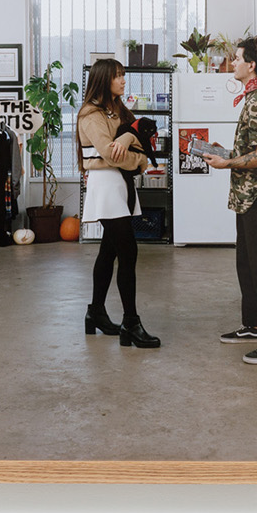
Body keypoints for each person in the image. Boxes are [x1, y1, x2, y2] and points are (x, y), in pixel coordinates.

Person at [204, 35, 257, 365]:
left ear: (251, 65)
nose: (233, 64)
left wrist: (227, 162)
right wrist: (223, 154)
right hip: (247, 198)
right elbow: (251, 152)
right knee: (248, 265)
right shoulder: (253, 98)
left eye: (238, 59)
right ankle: (256, 325)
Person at [75, 58, 159, 349]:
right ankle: (131, 324)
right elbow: (112, 155)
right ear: (103, 79)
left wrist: (130, 145)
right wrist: (134, 154)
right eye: (118, 76)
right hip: (107, 186)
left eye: (124, 75)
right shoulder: (91, 113)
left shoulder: (119, 110)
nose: (124, 81)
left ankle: (95, 312)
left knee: (108, 251)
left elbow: (143, 147)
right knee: (128, 250)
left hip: (121, 185)